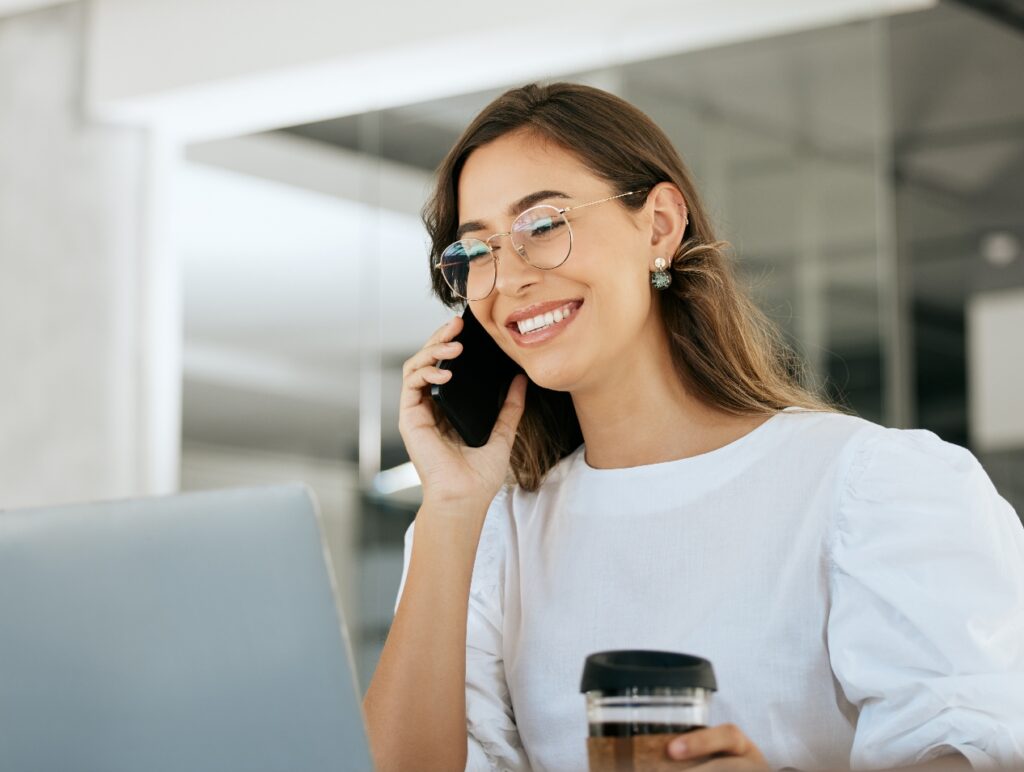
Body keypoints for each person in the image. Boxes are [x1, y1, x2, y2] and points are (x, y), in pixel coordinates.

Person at [361, 82, 1024, 772]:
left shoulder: (871, 487)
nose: (509, 280)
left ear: (660, 224)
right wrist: (451, 506)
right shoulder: (490, 532)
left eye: (543, 225)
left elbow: (977, 752)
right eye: (476, 254)